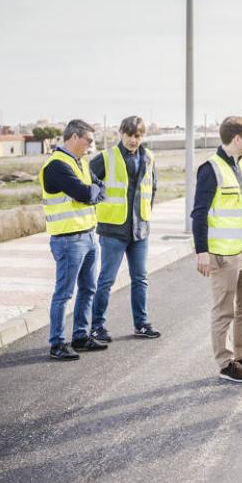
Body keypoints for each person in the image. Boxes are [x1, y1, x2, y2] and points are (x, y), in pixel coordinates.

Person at [191, 115, 242, 384]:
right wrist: (201, 252)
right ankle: (226, 363)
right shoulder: (210, 169)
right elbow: (199, 213)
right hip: (223, 254)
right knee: (224, 310)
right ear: (237, 138)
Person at [38, 119, 108, 361]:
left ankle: (80, 336)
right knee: (64, 293)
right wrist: (92, 193)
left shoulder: (80, 163)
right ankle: (57, 343)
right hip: (68, 240)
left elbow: (100, 188)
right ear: (74, 137)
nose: (91, 145)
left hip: (88, 235)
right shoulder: (57, 165)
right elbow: (85, 192)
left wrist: (93, 192)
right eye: (88, 140)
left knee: (89, 288)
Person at [89, 115, 160, 342]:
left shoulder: (149, 157)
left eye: (137, 136)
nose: (133, 140)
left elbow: (153, 187)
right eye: (129, 135)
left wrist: (145, 213)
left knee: (140, 278)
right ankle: (97, 327)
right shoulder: (106, 157)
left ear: (142, 136)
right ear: (121, 133)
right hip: (113, 230)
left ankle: (142, 324)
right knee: (106, 280)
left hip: (140, 229)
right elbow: (86, 181)